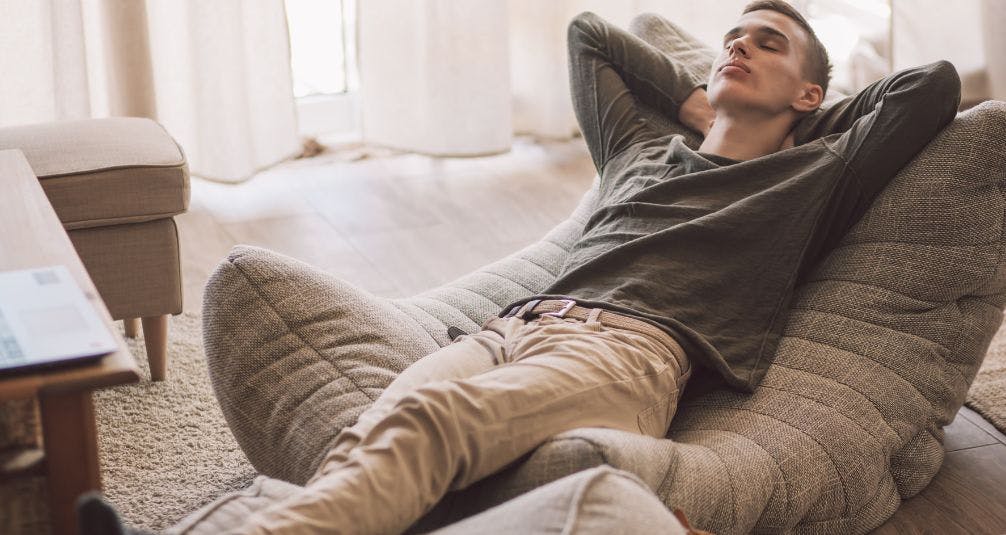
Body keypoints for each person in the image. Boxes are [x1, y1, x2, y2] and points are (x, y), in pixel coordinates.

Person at [80, 2, 961, 534]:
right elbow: (589, 35)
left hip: (627, 355)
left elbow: (932, 85)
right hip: (513, 331)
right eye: (732, 34)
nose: (737, 44)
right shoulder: (644, 153)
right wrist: (699, 102)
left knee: (428, 424)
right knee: (375, 430)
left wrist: (804, 122)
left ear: (812, 97)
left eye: (766, 43)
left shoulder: (812, 174)